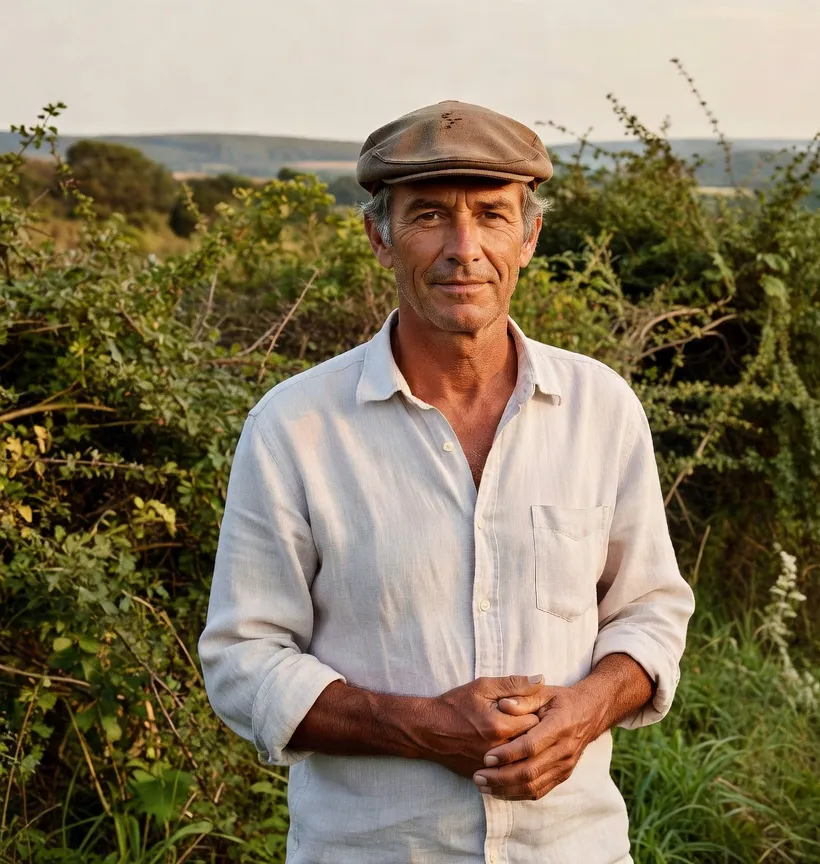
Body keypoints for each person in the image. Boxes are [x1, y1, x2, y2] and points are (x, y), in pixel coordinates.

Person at [199, 100, 695, 863]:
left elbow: (650, 609)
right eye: (429, 216)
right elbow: (243, 657)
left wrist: (589, 708)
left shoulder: (601, 408)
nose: (464, 249)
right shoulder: (294, 427)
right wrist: (421, 727)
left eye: (492, 216)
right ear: (380, 237)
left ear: (529, 237)